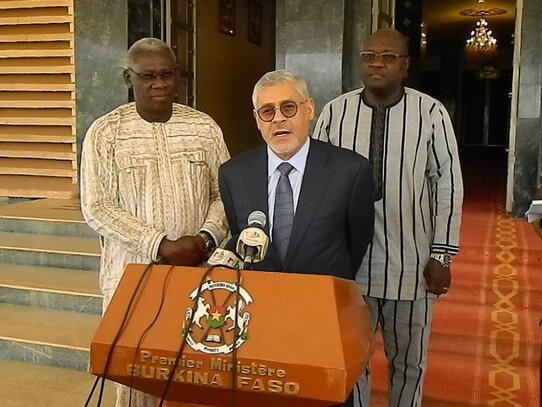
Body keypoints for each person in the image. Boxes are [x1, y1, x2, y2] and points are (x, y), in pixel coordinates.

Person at [314, 28, 464, 406]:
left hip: (411, 266)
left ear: (405, 66)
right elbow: (317, 183)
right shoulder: (335, 112)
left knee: (409, 364)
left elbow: (448, 185)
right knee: (352, 360)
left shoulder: (430, 113)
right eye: (369, 56)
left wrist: (442, 256)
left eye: (388, 56)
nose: (377, 63)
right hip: (351, 267)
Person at [80, 38, 230, 407]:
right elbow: (97, 207)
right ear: (128, 78)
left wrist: (206, 238)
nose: (159, 83)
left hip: (198, 274)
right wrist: (159, 244)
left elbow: (227, 194)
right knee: (137, 379)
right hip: (131, 279)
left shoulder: (204, 128)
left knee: (197, 372)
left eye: (167, 74)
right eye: (148, 76)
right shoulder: (106, 132)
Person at [218, 70, 375, 407]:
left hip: (324, 319)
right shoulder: (233, 174)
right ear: (256, 119)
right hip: (258, 321)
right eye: (267, 111)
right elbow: (242, 237)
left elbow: (357, 243)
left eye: (288, 107)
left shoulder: (350, 171)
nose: (278, 119)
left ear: (310, 110)